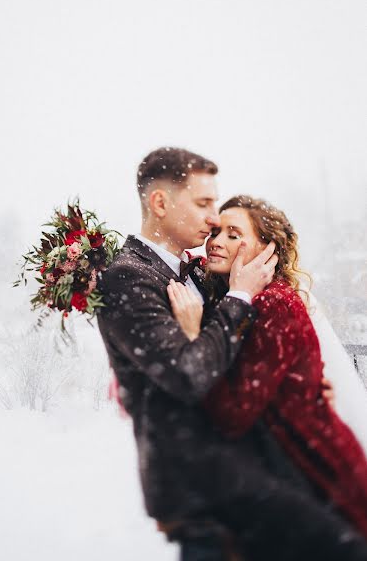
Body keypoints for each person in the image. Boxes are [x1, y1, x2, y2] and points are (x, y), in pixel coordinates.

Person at [98, 148, 367, 561]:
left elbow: (233, 361)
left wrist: (294, 390)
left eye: (230, 230)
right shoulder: (130, 276)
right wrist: (236, 299)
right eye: (205, 205)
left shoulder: (204, 281)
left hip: (257, 481)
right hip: (205, 491)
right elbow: (188, 373)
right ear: (160, 203)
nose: (213, 226)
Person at [168, 193, 367, 541]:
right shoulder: (232, 293)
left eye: (233, 234)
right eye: (216, 232)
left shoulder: (275, 303)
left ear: (266, 250)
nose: (215, 242)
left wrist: (192, 335)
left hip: (317, 475)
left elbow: (234, 412)